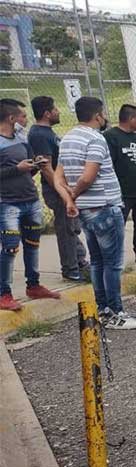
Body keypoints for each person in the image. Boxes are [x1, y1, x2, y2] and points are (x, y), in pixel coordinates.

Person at [57, 97, 136, 329]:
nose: (104, 118)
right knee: (113, 264)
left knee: (97, 262)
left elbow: (59, 176)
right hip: (104, 207)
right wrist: (74, 194)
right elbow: (88, 175)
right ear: (97, 116)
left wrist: (70, 199)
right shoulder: (96, 138)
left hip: (86, 209)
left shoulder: (67, 138)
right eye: (103, 114)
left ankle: (102, 309)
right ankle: (115, 312)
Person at [0, 99, 63, 311]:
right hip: (8, 203)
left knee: (32, 244)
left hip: (30, 199)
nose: (26, 121)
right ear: (11, 118)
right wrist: (16, 169)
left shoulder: (21, 138)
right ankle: (4, 294)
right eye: (23, 117)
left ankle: (33, 285)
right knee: (10, 248)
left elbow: (28, 168)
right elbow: (13, 170)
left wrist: (36, 165)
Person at [28, 96, 89, 283]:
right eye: (55, 109)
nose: (58, 111)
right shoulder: (39, 134)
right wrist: (61, 189)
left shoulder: (47, 132)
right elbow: (46, 166)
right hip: (56, 189)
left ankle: (79, 260)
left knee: (72, 227)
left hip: (63, 187)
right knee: (66, 229)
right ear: (47, 113)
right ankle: (70, 269)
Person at [105, 104, 136, 266]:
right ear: (130, 119)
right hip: (122, 192)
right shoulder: (111, 136)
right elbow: (108, 165)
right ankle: (113, 257)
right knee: (117, 226)